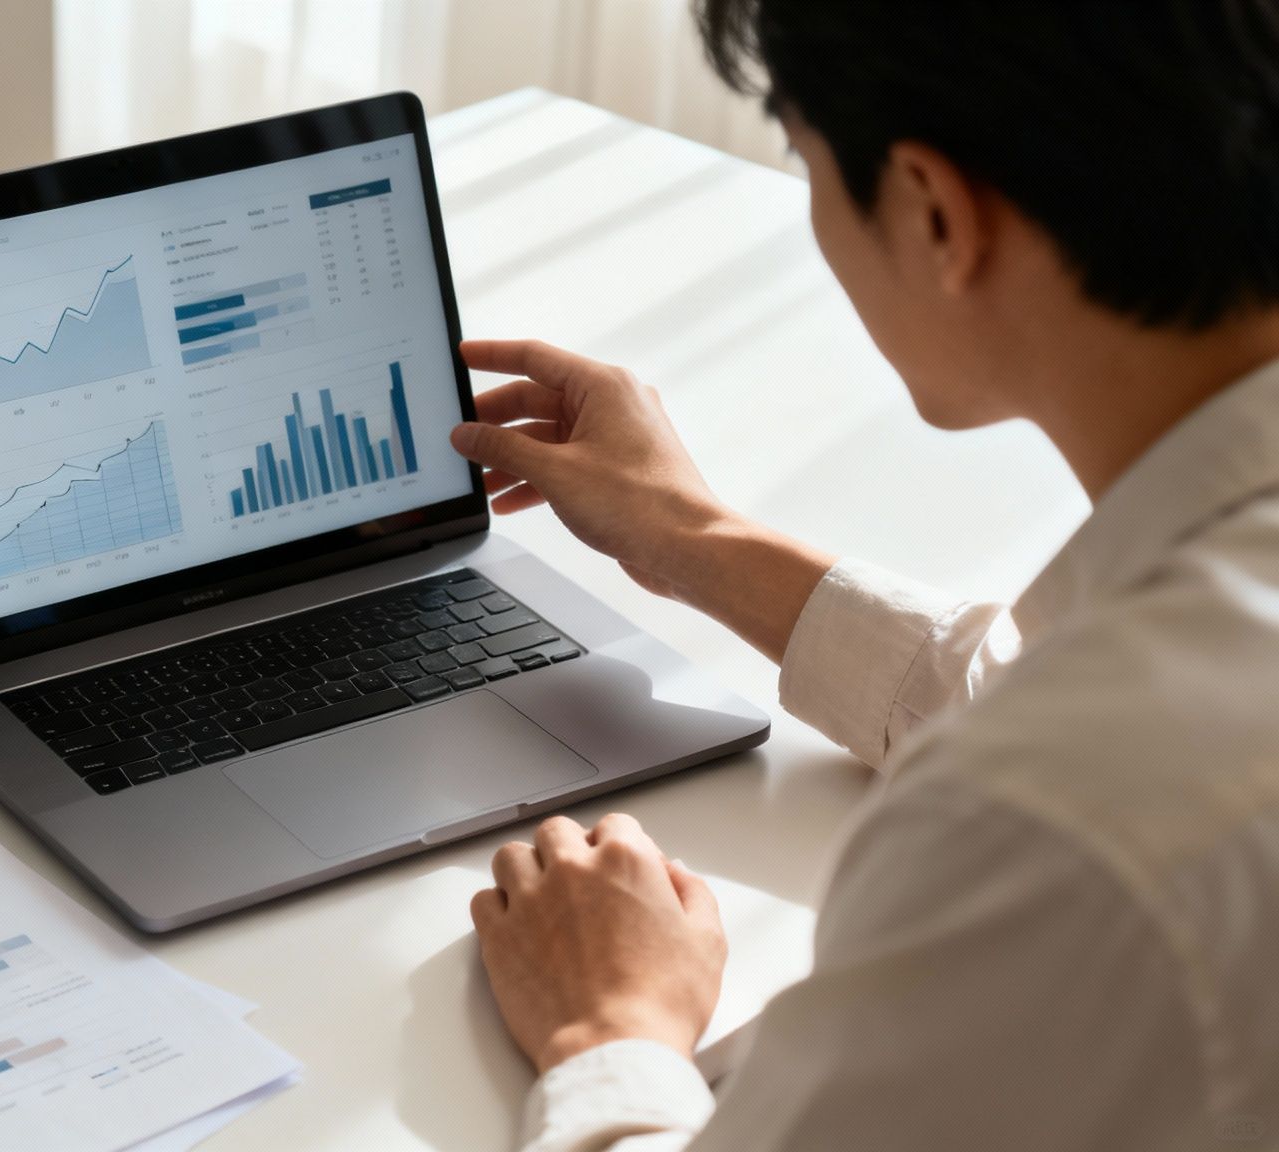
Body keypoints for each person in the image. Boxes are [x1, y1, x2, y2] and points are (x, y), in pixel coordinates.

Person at [453, 2, 1279, 1149]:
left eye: (802, 160)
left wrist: (611, 1031)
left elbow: (1091, 787)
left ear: (934, 212)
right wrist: (686, 533)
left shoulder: (1045, 834)